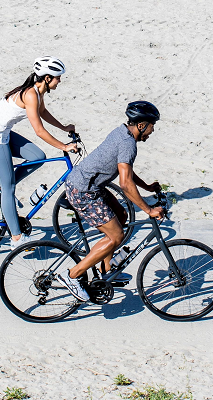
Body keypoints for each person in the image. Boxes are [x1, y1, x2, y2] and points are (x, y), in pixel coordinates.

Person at [57, 101, 165, 302]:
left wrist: (147, 188)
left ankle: (106, 269)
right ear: (141, 125)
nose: (152, 131)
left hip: (89, 186)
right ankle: (72, 275)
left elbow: (127, 172)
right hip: (83, 191)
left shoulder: (122, 132)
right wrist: (149, 209)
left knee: (122, 215)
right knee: (116, 236)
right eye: (152, 125)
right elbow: (125, 183)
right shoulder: (128, 144)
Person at [0, 56, 79, 249]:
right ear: (47, 78)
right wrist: (63, 147)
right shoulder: (30, 94)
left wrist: (64, 128)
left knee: (38, 157)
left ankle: (5, 185)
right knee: (9, 189)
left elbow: (43, 112)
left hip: (3, 134)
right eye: (58, 77)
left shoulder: (38, 93)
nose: (60, 81)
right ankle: (16, 239)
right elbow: (39, 130)